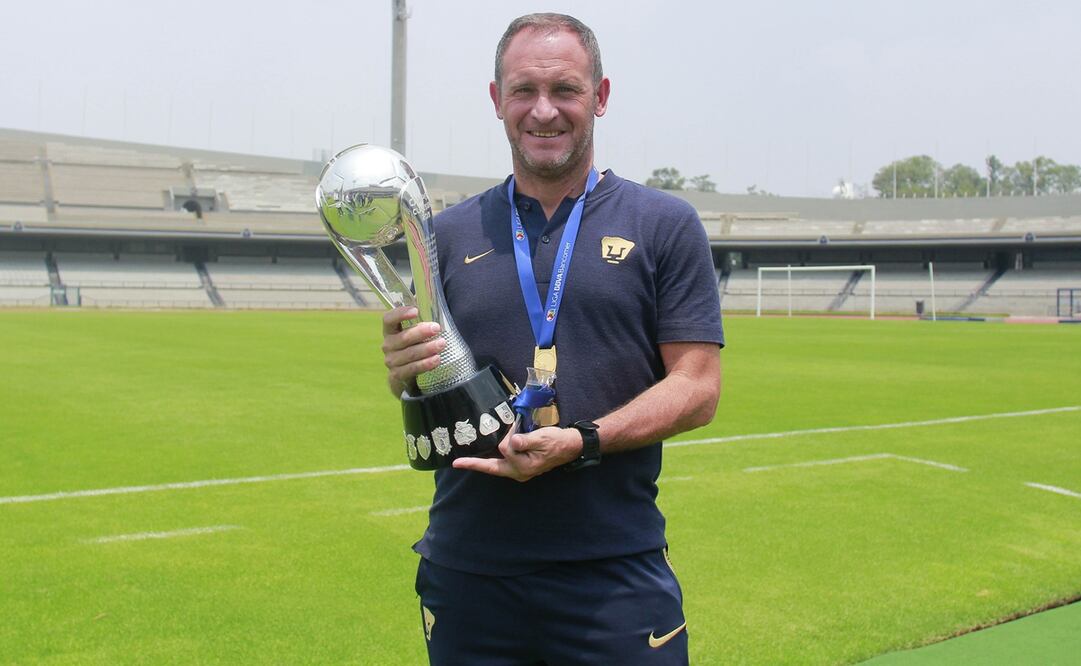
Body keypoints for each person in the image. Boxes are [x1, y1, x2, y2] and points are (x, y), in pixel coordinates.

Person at [381, 13, 724, 665]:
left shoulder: (663, 224)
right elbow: (427, 390)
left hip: (610, 573)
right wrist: (403, 371)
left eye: (564, 90)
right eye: (523, 92)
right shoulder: (444, 235)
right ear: (495, 100)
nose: (543, 112)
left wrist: (582, 440)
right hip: (467, 570)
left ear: (599, 95)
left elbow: (698, 387)